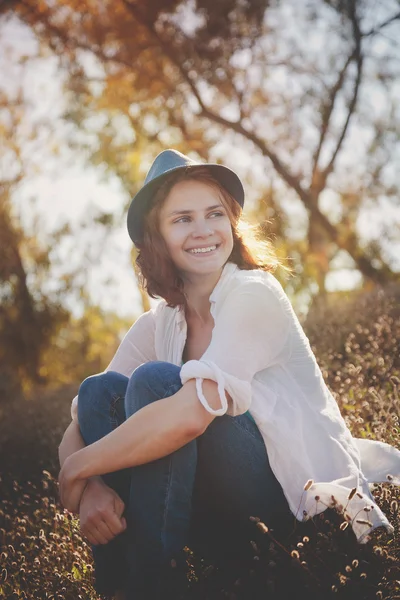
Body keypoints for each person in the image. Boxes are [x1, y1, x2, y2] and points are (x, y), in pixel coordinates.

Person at [58, 149, 400, 600]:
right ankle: (128, 588)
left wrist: (75, 473)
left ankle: (148, 586)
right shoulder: (159, 323)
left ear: (232, 222)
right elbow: (80, 423)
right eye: (182, 219)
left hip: (295, 511)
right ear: (155, 235)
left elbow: (189, 418)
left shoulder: (254, 294)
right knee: (101, 389)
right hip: (212, 515)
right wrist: (91, 489)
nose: (203, 230)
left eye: (214, 213)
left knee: (158, 384)